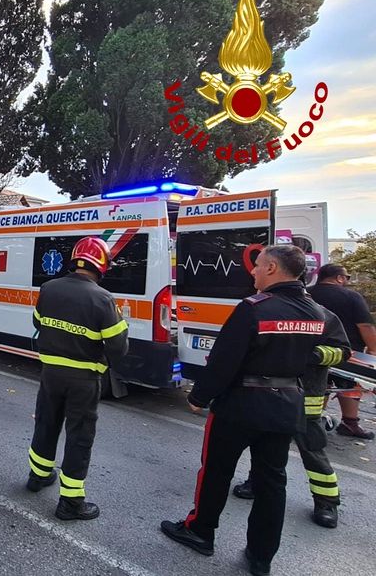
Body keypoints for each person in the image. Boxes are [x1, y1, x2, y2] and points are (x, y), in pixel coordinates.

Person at [161, 245, 351, 576]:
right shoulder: (316, 314)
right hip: (286, 406)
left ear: (274, 269)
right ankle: (261, 557)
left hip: (240, 405)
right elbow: (336, 351)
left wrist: (200, 397)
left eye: (259, 266)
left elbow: (224, 360)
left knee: (216, 472)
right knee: (272, 482)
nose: (253, 272)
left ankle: (200, 531)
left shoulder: (254, 308)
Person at [25, 237, 128, 521]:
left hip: (50, 374)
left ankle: (38, 476)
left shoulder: (49, 289)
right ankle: (70, 502)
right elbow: (119, 348)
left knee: (47, 423)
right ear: (102, 265)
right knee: (79, 436)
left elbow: (38, 321)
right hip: (83, 379)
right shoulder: (104, 299)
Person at [229, 306, 350, 528]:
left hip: (306, 396)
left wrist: (310, 354)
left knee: (312, 449)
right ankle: (256, 483)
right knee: (265, 444)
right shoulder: (273, 310)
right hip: (271, 392)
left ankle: (326, 502)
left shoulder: (324, 315)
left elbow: (342, 351)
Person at [308, 263, 376, 439]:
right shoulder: (352, 297)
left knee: (318, 385)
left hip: (312, 350)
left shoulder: (307, 293)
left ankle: (313, 420)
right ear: (339, 278)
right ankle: (350, 423)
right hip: (347, 352)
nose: (346, 281)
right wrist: (373, 351)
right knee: (349, 386)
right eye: (346, 277)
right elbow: (365, 325)